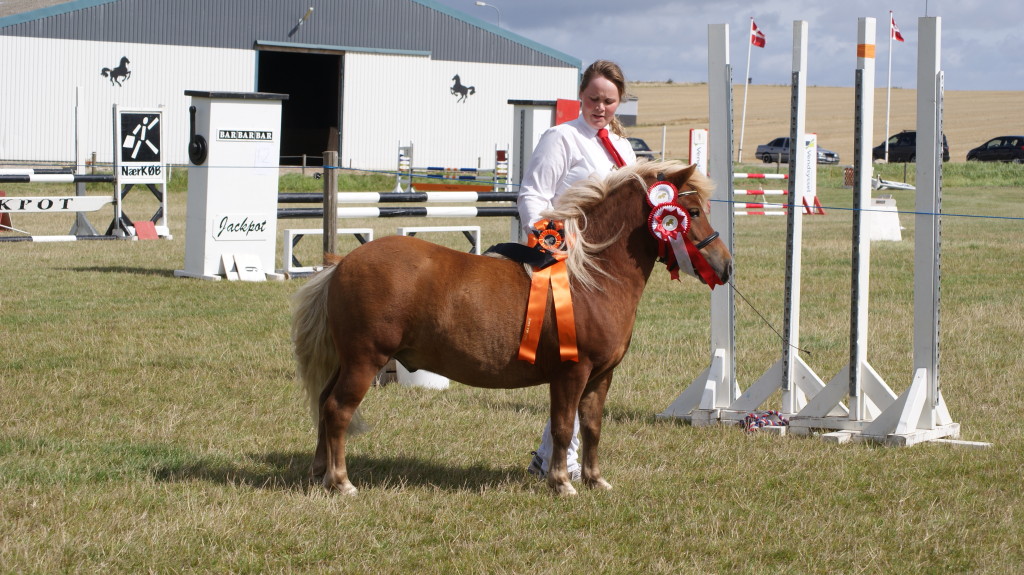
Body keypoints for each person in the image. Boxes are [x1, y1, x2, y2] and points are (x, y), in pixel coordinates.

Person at [517, 60, 637, 481]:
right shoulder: (561, 137)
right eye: (593, 99)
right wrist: (550, 244)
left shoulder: (624, 148)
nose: (600, 107)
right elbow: (533, 193)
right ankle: (559, 462)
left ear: (620, 101)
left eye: (609, 100)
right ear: (580, 95)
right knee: (571, 358)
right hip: (563, 257)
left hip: (607, 271)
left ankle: (549, 459)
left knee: (586, 364)